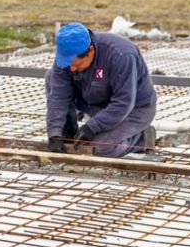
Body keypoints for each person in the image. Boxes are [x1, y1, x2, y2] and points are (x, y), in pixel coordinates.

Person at [45, 22, 157, 157]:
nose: (72, 69)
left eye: (77, 64)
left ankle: (141, 138)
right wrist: (55, 134)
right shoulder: (67, 55)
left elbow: (123, 103)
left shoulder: (121, 55)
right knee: (51, 77)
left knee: (101, 148)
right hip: (94, 103)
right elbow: (58, 97)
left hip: (133, 110)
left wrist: (92, 127)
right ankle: (68, 134)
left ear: (90, 51)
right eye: (68, 64)